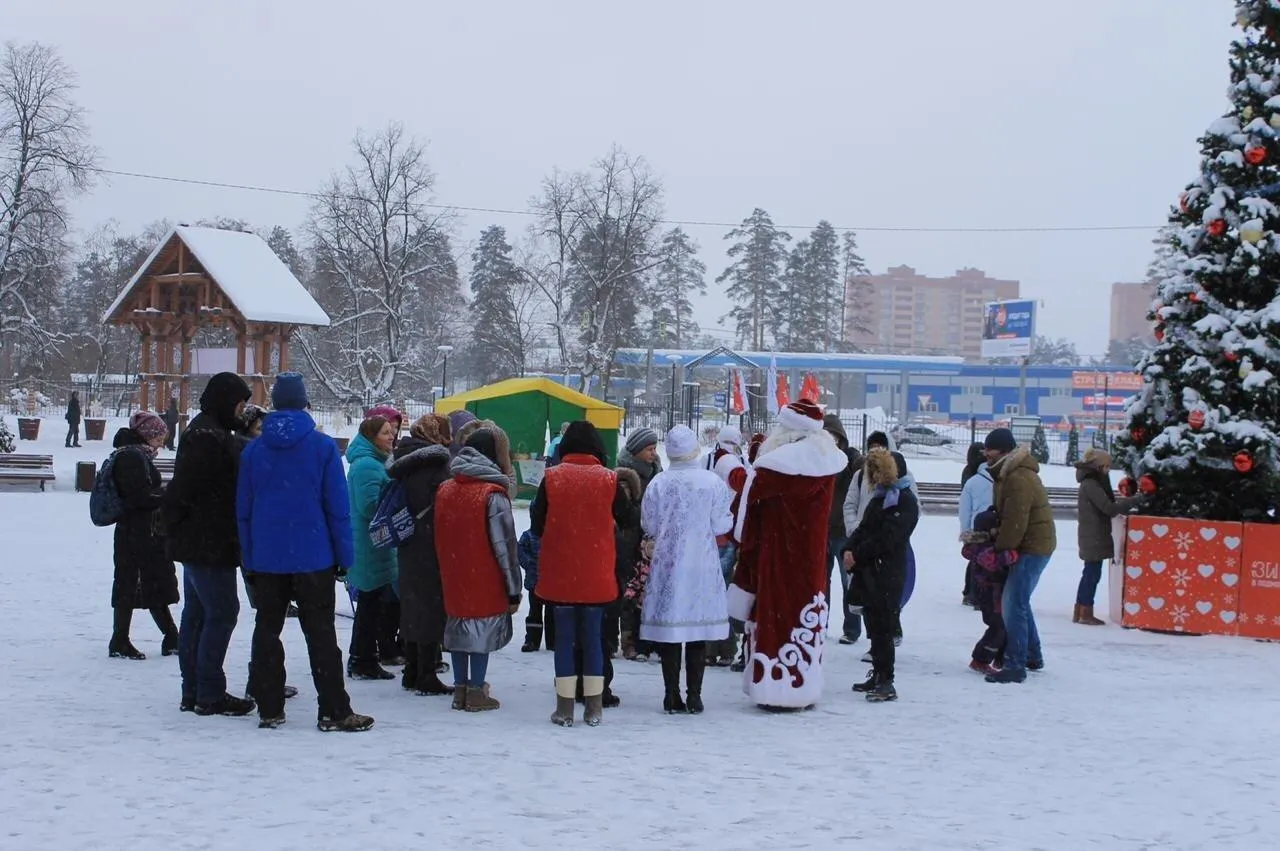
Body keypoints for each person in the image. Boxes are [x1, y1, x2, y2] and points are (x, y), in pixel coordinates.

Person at [236, 373, 373, 733]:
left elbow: (244, 510)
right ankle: (333, 709)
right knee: (321, 634)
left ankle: (269, 706)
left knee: (266, 630)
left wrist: (249, 556)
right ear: (305, 402)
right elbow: (337, 508)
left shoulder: (253, 451)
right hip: (313, 554)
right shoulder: (322, 447)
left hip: (267, 556)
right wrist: (345, 556)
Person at [728, 399, 847, 711]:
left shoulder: (783, 464)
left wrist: (729, 467)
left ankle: (776, 688)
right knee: (803, 614)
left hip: (780, 550)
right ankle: (801, 683)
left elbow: (750, 488)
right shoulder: (825, 458)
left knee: (776, 616)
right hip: (810, 553)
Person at [163, 372, 255, 717]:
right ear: (225, 401)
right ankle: (209, 691)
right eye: (240, 404)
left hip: (199, 540)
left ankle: (194, 689)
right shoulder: (207, 437)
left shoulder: (209, 431)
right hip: (207, 542)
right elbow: (188, 490)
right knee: (221, 612)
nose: (243, 412)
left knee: (199, 614)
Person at [531, 420, 631, 727]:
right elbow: (627, 518)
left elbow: (536, 523)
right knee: (593, 639)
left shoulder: (551, 478)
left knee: (564, 641)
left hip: (561, 572)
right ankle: (594, 707)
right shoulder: (609, 480)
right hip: (596, 573)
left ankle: (564, 708)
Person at [640, 425, 734, 714]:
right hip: (702, 561)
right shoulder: (711, 482)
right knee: (697, 630)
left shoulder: (659, 482)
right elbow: (722, 524)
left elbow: (649, 524)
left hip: (669, 562)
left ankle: (671, 695)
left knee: (671, 631)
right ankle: (695, 695)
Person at [434, 428, 523, 711]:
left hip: (454, 573)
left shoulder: (446, 489)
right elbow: (505, 546)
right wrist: (514, 588)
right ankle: (476, 691)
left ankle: (459, 689)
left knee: (460, 630)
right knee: (480, 634)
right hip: (485, 575)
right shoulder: (492, 494)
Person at [843, 450, 919, 703]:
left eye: (877, 470)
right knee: (874, 626)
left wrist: (858, 554)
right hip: (871, 571)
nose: (873, 476)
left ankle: (887, 680)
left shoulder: (904, 500)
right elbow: (864, 528)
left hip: (888, 572)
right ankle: (877, 673)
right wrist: (848, 548)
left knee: (885, 627)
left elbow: (889, 538)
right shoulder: (880, 498)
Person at [387, 413, 455, 695]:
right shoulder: (435, 465)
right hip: (431, 541)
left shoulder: (404, 459)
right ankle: (426, 673)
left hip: (407, 540)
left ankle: (412, 668)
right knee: (431, 607)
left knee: (413, 604)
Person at [982, 427, 1057, 685]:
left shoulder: (1017, 477)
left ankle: (1015, 665)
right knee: (1019, 601)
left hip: (1032, 547)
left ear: (1002, 450)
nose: (985, 453)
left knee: (1013, 604)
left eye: (989, 448)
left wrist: (1000, 548)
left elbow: (1016, 522)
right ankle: (1032, 655)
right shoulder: (1009, 473)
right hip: (1034, 545)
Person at [107, 411, 179, 660]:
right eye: (159, 435)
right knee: (139, 583)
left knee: (145, 583)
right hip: (138, 531)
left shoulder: (136, 455)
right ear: (147, 435)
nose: (162, 440)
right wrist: (166, 496)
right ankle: (122, 640)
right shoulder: (132, 457)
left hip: (139, 530)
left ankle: (169, 636)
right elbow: (138, 497)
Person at [345, 415, 402, 680]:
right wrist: (395, 499)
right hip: (370, 546)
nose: (391, 437)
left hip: (374, 543)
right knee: (369, 606)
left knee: (372, 605)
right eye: (385, 433)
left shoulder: (373, 462)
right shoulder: (368, 465)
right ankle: (361, 660)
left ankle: (363, 658)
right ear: (371, 437)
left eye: (391, 432)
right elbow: (368, 506)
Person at [1075, 448, 1137, 626]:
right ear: (1097, 466)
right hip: (1093, 535)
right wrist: (1135, 501)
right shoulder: (1091, 484)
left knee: (1090, 573)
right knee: (1091, 574)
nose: (1108, 470)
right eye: (1106, 466)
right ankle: (1085, 612)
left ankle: (1080, 611)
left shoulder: (1093, 482)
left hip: (1093, 534)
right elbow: (1108, 508)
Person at [703, 425, 749, 668]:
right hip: (721, 535)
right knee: (722, 592)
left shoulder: (732, 463)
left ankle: (719, 647)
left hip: (724, 535)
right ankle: (720, 647)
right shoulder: (730, 463)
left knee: (718, 592)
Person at [616, 427, 660, 662]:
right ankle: (628, 641)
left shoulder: (656, 470)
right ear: (636, 451)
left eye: (654, 449)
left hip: (651, 541)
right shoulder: (625, 474)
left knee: (648, 590)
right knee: (629, 590)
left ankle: (648, 639)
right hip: (629, 539)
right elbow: (625, 512)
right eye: (649, 449)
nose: (653, 454)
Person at [823, 414, 864, 646]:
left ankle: (852, 629)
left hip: (843, 533)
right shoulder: (818, 458)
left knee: (849, 582)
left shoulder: (850, 458)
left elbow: (863, 465)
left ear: (841, 437)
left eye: (834, 435)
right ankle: (820, 624)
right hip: (821, 532)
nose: (830, 440)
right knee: (821, 583)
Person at [962, 507, 1017, 674]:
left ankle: (999, 658)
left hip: (994, 592)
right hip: (989, 593)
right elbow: (991, 562)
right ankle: (980, 659)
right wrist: (1011, 555)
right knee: (998, 627)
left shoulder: (984, 545)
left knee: (1002, 626)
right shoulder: (981, 547)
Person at [959, 442, 994, 608]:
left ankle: (972, 594)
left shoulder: (971, 479)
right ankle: (981, 595)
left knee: (976, 561)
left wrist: (966, 531)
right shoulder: (998, 477)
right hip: (993, 525)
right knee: (988, 562)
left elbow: (965, 508)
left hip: (976, 525)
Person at [518, 529, 555, 652]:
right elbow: (520, 552)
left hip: (552, 582)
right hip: (534, 581)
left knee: (552, 613)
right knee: (534, 612)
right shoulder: (528, 535)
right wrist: (530, 563)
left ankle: (553, 641)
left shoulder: (555, 534)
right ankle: (532, 640)